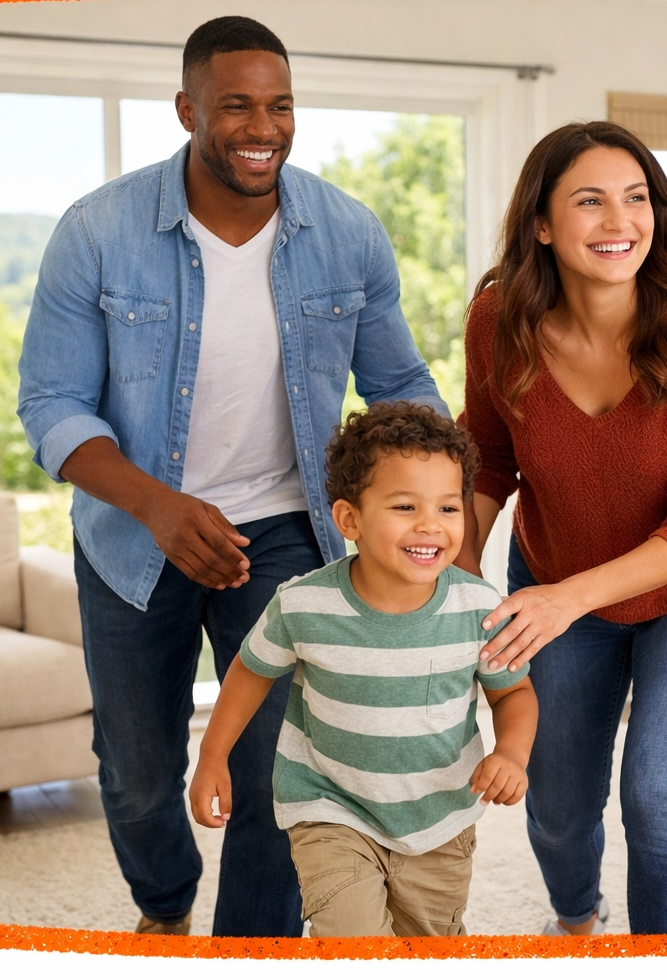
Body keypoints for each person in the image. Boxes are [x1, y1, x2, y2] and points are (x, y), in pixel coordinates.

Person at [16, 16, 446, 938]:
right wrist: (160, 508)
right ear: (187, 109)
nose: (264, 128)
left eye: (281, 105)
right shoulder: (97, 231)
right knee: (137, 772)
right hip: (134, 534)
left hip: (289, 529)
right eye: (238, 106)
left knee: (275, 768)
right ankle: (164, 906)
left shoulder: (347, 232)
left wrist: (442, 508)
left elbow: (400, 382)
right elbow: (52, 405)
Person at [454, 121, 667, 936]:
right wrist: (454, 576)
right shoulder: (499, 320)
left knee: (659, 796)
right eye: (590, 201)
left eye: (636, 199)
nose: (619, 221)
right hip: (557, 580)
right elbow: (487, 460)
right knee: (557, 802)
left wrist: (568, 598)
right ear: (541, 224)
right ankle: (575, 922)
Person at [188, 402, 538, 937]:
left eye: (448, 508)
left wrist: (511, 753)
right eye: (405, 506)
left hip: (439, 820)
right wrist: (213, 756)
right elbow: (251, 671)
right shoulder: (303, 605)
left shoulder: (479, 608)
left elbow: (513, 693)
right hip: (331, 806)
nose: (431, 525)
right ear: (350, 519)